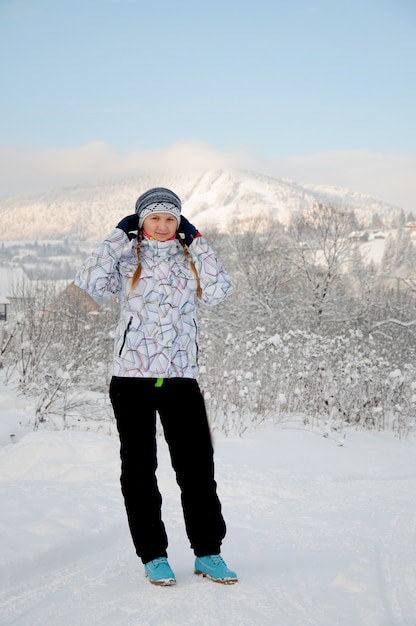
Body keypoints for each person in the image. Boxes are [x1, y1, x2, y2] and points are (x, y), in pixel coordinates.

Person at [75, 187, 238, 586]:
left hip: (181, 377)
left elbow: (220, 290)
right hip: (131, 379)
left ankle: (208, 553)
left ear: (180, 222)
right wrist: (119, 235)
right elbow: (89, 281)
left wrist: (198, 243)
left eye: (171, 218)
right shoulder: (127, 257)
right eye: (155, 218)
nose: (164, 226)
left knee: (197, 468)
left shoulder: (189, 261)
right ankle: (153, 555)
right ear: (141, 221)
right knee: (139, 470)